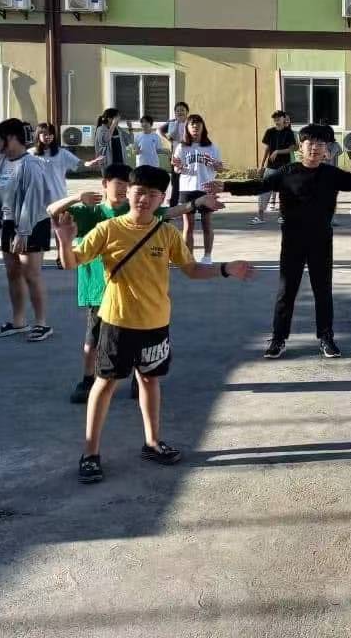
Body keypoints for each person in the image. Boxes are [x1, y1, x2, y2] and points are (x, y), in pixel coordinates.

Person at [52, 164, 255, 484]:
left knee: (149, 381)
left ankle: (152, 442)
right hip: (117, 322)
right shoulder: (108, 229)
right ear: (129, 193)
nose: (144, 199)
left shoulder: (167, 233)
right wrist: (65, 240)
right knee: (105, 384)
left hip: (156, 323)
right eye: (139, 192)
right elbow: (71, 263)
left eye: (153, 194)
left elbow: (191, 269)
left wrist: (226, 268)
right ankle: (90, 453)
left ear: (162, 198)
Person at [214, 124, 351, 359]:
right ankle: (278, 339)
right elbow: (260, 186)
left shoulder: (331, 174)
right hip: (292, 240)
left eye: (320, 144)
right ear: (300, 147)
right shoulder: (286, 172)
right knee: (286, 291)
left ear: (326, 149)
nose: (314, 148)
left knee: (322, 290)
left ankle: (326, 338)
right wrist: (227, 186)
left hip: (321, 240)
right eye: (310, 143)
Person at [48, 163, 223, 404]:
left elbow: (170, 212)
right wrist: (77, 199)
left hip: (140, 301)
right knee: (93, 343)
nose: (123, 190)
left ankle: (137, 379)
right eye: (119, 184)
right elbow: (52, 212)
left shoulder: (140, 213)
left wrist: (197, 203)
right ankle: (88, 380)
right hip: (99, 291)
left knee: (139, 352)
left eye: (126, 185)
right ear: (105, 184)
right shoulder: (92, 214)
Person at [0, 118, 59, 342]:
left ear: (10, 138)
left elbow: (33, 200)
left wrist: (24, 232)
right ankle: (18, 322)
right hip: (9, 222)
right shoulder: (0, 161)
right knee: (13, 273)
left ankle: (42, 324)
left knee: (31, 274)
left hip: (33, 223)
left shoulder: (31, 164)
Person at [174, 114, 224, 263]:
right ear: (187, 128)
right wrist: (178, 167)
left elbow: (220, 168)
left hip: (206, 187)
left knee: (207, 223)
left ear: (203, 127)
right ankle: (189, 258)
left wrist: (217, 166)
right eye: (192, 125)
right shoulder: (182, 147)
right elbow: (176, 168)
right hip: (187, 189)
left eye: (198, 124)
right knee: (188, 225)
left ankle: (207, 256)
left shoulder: (211, 147)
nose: (195, 127)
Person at [31, 122, 103, 197]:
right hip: (38, 196)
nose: (48, 136)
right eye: (45, 134)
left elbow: (78, 163)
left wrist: (88, 163)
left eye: (50, 134)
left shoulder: (61, 153)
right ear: (38, 135)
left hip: (58, 196)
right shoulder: (30, 154)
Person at [254, 110, 296, 224]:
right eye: (275, 119)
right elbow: (267, 149)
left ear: (284, 119)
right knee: (264, 191)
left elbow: (292, 148)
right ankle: (260, 217)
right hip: (271, 166)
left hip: (285, 166)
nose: (277, 121)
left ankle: (281, 216)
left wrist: (278, 151)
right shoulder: (270, 132)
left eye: (279, 118)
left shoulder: (289, 133)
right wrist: (261, 165)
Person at [159, 102, 191, 205]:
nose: (180, 112)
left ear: (187, 112)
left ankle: (189, 203)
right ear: (175, 113)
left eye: (182, 110)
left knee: (188, 178)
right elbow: (160, 130)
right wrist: (168, 139)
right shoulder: (172, 122)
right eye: (177, 110)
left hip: (189, 155)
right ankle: (174, 203)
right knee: (175, 180)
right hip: (176, 155)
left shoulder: (191, 122)